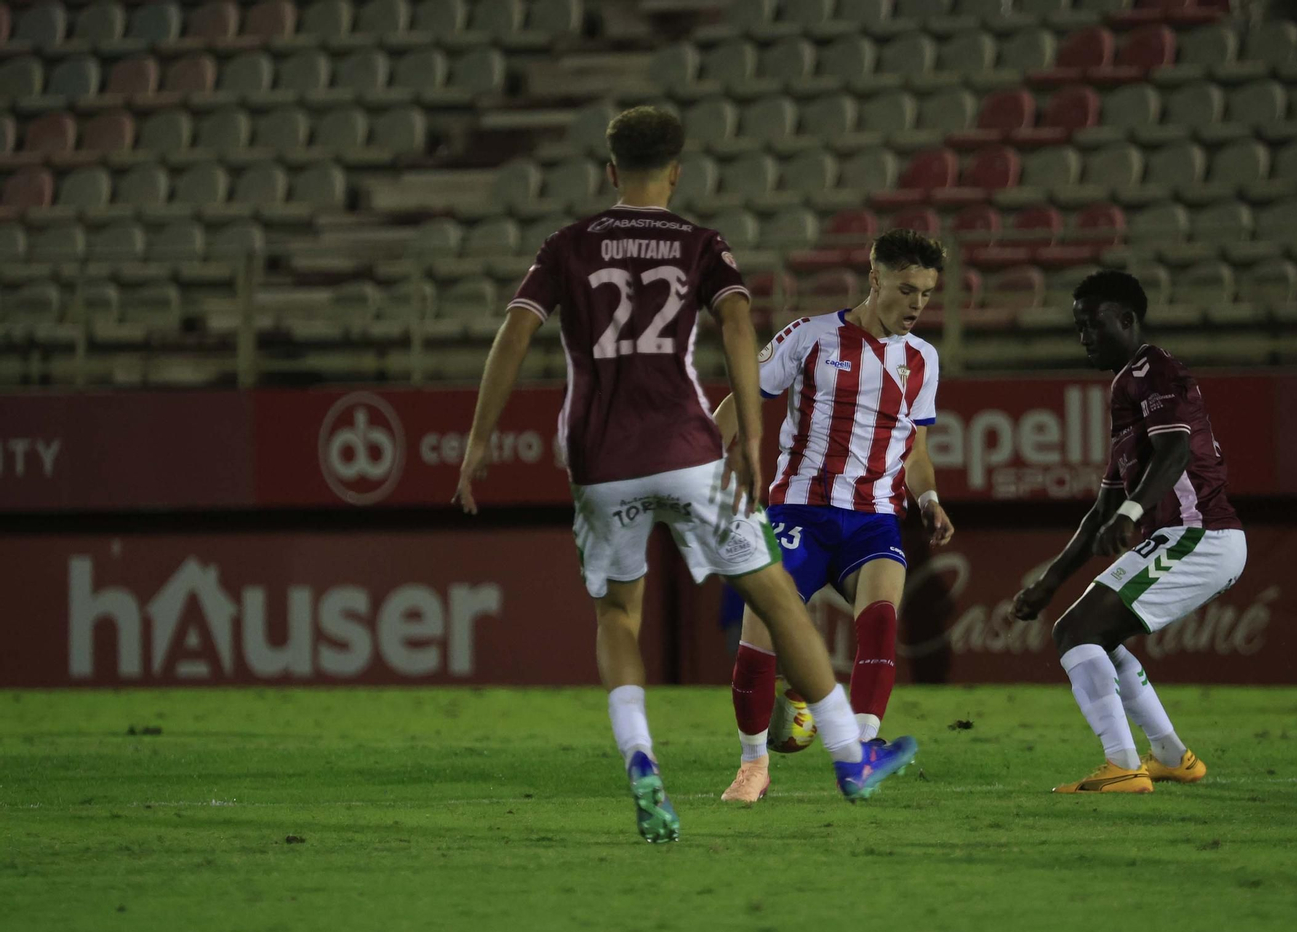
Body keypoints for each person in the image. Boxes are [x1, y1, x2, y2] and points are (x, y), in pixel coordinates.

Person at [452, 106, 919, 842]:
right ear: (675, 170)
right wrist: (754, 438)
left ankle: (642, 762)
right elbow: (738, 325)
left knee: (617, 616)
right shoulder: (701, 244)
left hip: (601, 456)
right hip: (684, 446)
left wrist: (479, 439)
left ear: (610, 172)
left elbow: (515, 333)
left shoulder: (567, 246)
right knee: (773, 592)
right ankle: (849, 753)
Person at [712, 230, 956, 804]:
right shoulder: (811, 336)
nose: (918, 304)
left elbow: (915, 451)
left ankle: (860, 755)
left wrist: (928, 500)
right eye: (906, 289)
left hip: (873, 519)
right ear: (874, 279)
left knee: (880, 619)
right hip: (800, 510)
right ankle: (753, 765)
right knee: (759, 639)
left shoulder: (924, 360)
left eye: (926, 292)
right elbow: (740, 401)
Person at [1010, 270, 1246, 794]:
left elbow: (1175, 452)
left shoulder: (1154, 369)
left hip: (1200, 534)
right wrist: (1050, 582)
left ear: (1127, 319)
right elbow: (1102, 510)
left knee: (1076, 634)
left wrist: (1132, 511)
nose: (1084, 337)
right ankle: (1171, 756)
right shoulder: (1126, 388)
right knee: (1095, 634)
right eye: (1078, 328)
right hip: (1187, 537)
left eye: (1092, 325)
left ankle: (1122, 766)